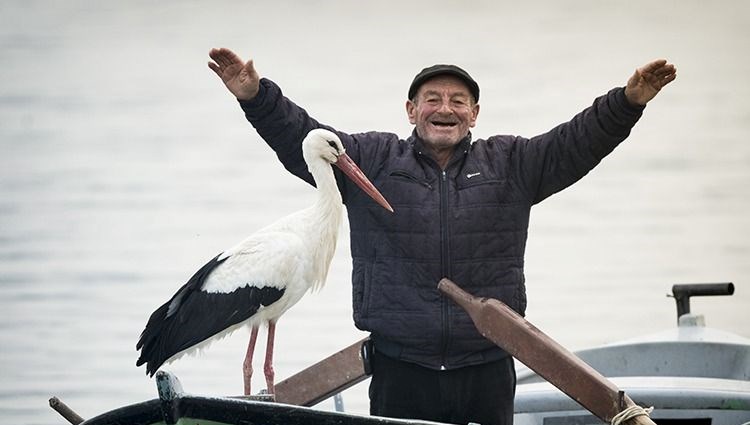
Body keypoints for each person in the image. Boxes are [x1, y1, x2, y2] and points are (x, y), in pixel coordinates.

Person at [208, 48, 676, 425]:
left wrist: (628, 102)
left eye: (458, 100)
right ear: (411, 110)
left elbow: (577, 142)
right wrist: (255, 97)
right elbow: (303, 139)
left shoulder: (512, 164)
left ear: (474, 113)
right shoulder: (372, 159)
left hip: (488, 365)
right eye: (432, 98)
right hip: (400, 369)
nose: (444, 108)